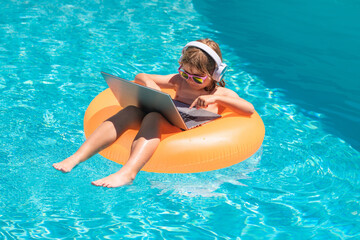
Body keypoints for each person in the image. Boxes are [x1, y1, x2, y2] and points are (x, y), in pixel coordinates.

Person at [53, 38, 255, 188]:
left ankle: (128, 173)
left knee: (154, 117)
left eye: (198, 77)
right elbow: (141, 75)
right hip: (171, 114)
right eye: (185, 72)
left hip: (189, 126)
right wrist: (150, 85)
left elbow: (249, 110)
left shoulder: (222, 93)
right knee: (131, 111)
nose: (189, 80)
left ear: (215, 75)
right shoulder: (178, 80)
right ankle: (76, 157)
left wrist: (216, 99)